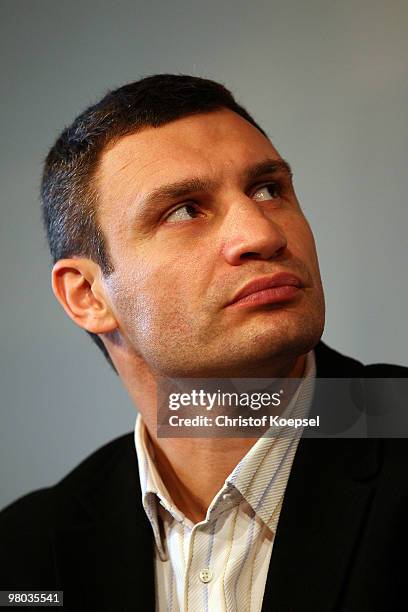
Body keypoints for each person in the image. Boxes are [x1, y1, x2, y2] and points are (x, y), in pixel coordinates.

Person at [0, 74, 407, 612]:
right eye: (185, 210)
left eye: (268, 189)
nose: (262, 233)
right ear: (88, 295)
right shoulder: (24, 556)